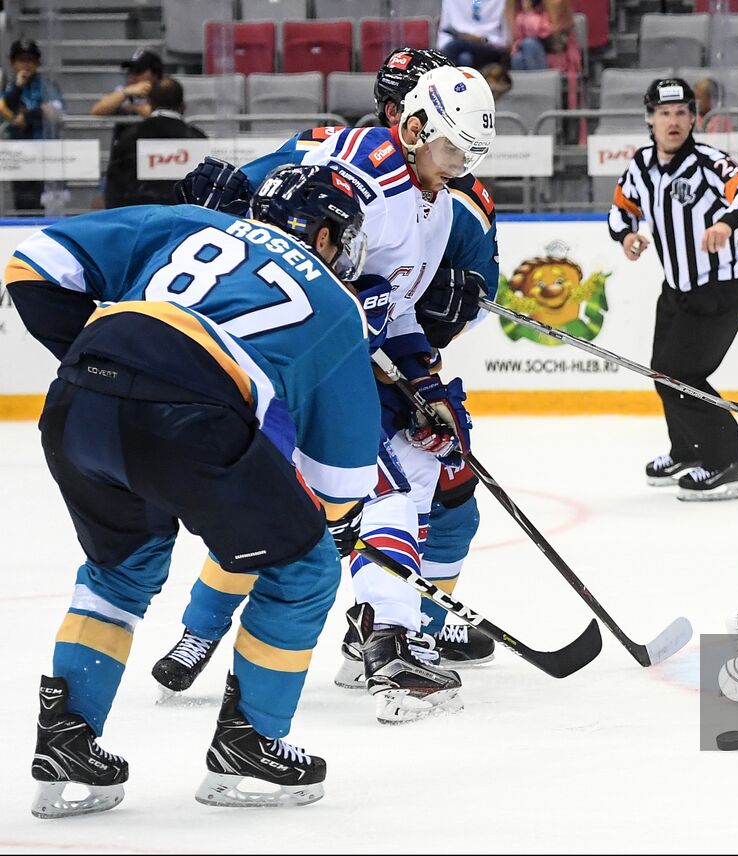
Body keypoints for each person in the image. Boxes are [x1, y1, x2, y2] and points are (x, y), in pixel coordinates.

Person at [7, 164, 380, 815]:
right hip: (189, 416)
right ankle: (252, 746)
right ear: (323, 235)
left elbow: (32, 262)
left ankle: (66, 743)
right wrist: (335, 523)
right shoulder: (335, 303)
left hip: (77, 400)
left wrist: (102, 357)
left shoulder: (194, 222)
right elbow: (341, 483)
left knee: (118, 572)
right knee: (306, 569)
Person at [156, 61, 501, 724]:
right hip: (296, 362)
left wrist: (422, 377)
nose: (459, 164)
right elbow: (290, 241)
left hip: (342, 356)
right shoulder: (363, 170)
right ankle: (368, 640)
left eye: (470, 154)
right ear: (416, 124)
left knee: (418, 469)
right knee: (297, 509)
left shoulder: (432, 199)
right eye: (453, 148)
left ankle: (394, 632)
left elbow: (389, 304)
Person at [608, 78, 738, 502]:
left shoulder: (709, 162)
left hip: (723, 284)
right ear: (650, 119)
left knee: (682, 374)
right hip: (678, 287)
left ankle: (727, 461)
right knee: (661, 372)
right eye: (664, 113)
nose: (673, 121)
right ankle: (687, 450)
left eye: (682, 112)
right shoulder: (641, 166)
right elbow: (619, 210)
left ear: (693, 118)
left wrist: (726, 223)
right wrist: (627, 236)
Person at [103, 78, 207, 208]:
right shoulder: (198, 138)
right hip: (185, 220)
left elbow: (114, 188)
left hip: (139, 217)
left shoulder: (129, 137)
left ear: (150, 104)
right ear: (183, 105)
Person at [1, 38, 65, 213]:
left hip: (46, 156)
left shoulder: (46, 86)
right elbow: (4, 113)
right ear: (13, 63)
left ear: (37, 63)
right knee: (24, 208)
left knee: (49, 210)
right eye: (22, 60)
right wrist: (17, 88)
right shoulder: (7, 87)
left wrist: (29, 116)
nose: (26, 65)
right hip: (20, 158)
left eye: (30, 60)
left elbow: (57, 111)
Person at [91, 48, 164, 118]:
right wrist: (125, 92)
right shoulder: (124, 92)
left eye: (138, 71)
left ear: (155, 75)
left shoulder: (166, 91)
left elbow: (152, 114)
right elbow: (97, 111)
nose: (132, 76)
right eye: (131, 71)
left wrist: (135, 108)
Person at [439, 0, 511, 69]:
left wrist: (481, 40)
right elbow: (443, 35)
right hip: (456, 43)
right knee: (464, 57)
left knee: (458, 52)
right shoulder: (451, 1)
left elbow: (505, 41)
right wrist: (461, 37)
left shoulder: (501, 1)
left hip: (489, 47)